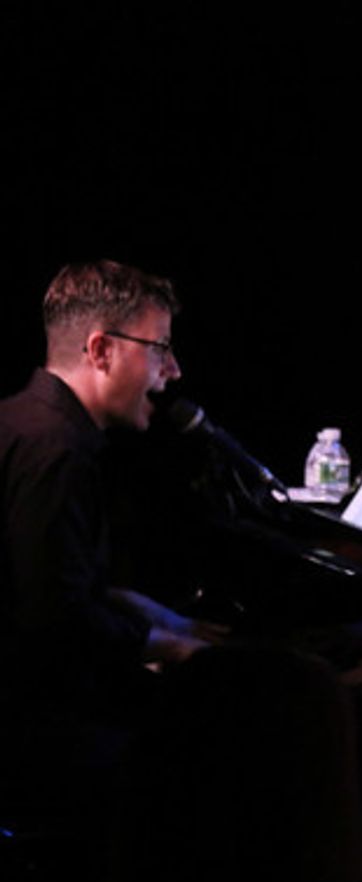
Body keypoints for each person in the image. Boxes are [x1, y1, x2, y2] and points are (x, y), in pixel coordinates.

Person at [0, 261, 212, 829]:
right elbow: (53, 619)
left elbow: (58, 584)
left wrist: (152, 617)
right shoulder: (56, 451)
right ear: (101, 351)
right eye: (160, 348)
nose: (172, 370)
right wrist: (168, 646)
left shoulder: (29, 424)